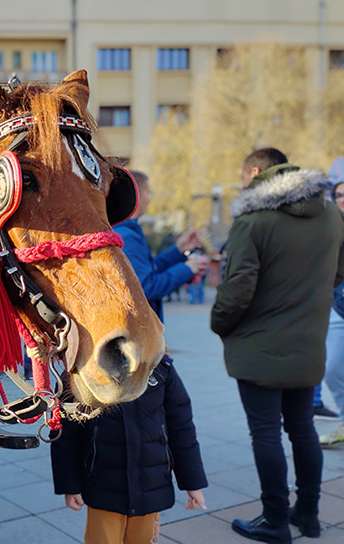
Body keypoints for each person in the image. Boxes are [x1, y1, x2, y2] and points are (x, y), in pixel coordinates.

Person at [211, 148, 344, 542]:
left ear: (255, 173)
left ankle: (274, 519)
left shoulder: (252, 221)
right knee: (303, 429)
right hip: (308, 343)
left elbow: (236, 290)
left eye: (243, 177)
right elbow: (338, 273)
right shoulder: (331, 214)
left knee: (266, 433)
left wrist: (220, 323)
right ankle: (309, 515)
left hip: (260, 347)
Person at [51, 355, 208, 544]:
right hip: (104, 485)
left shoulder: (160, 368)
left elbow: (181, 428)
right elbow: (65, 435)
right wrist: (69, 486)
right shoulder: (82, 369)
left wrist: (192, 482)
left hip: (150, 486)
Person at [113, 170, 208, 322]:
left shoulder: (127, 231)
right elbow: (147, 287)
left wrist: (178, 250)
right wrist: (187, 269)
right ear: (136, 195)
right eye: (148, 192)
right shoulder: (127, 237)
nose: (150, 198)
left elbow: (150, 268)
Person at [320, 181, 344, 446]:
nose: (342, 199)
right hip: (337, 307)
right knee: (333, 368)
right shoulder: (327, 226)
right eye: (338, 195)